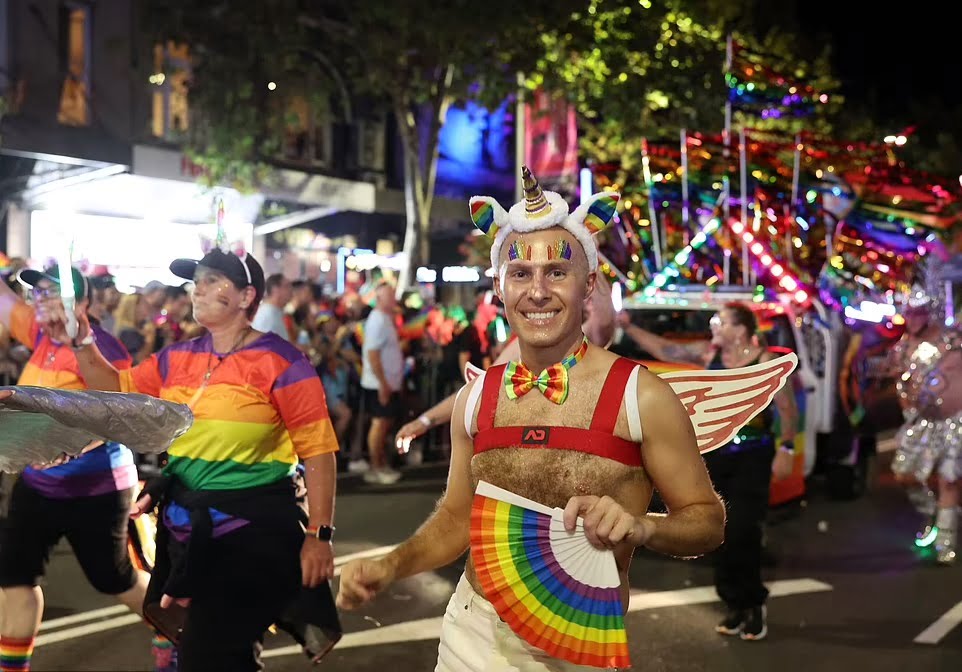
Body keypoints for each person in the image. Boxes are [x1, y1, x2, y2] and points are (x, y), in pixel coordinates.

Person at [338, 167, 726, 671]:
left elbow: (707, 521)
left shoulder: (641, 395)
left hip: (579, 650)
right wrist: (392, 564)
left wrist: (641, 527)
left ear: (587, 285)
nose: (537, 291)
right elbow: (458, 519)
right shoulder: (475, 400)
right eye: (521, 273)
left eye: (556, 272)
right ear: (500, 288)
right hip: (470, 637)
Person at [40, 248, 339, 671]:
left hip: (254, 536)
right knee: (222, 656)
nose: (196, 288)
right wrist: (83, 340)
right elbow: (119, 392)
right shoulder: (177, 357)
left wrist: (319, 534)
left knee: (207, 653)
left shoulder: (284, 361)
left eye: (212, 280)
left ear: (245, 295)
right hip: (187, 535)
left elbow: (318, 450)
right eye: (195, 280)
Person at [617, 301, 798, 640]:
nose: (713, 326)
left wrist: (786, 448)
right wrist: (627, 327)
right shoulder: (709, 355)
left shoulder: (765, 362)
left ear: (741, 329)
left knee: (745, 529)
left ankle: (753, 603)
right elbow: (664, 347)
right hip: (714, 456)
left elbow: (787, 410)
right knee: (718, 529)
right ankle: (732, 604)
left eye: (721, 321)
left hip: (753, 455)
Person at [0, 265, 150, 672]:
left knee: (114, 579)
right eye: (38, 292)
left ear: (83, 304)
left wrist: (67, 446)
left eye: (55, 293)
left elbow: (117, 414)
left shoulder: (103, 347)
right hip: (37, 483)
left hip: (97, 489)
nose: (42, 299)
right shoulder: (37, 334)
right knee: (13, 578)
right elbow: (3, 298)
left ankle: (183, 636)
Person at [394, 271, 617, 447]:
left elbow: (604, 320)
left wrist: (588, 252)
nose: (538, 296)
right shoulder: (519, 346)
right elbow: (478, 390)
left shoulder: (580, 340)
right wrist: (425, 421)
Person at [891, 258, 962, 565]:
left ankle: (945, 541)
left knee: (950, 478)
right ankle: (930, 513)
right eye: (909, 311)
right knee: (904, 473)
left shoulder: (951, 339)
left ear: (929, 311)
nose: (913, 317)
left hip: (957, 420)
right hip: (922, 422)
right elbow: (901, 384)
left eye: (919, 311)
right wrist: (907, 408)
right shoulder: (902, 348)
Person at [358, 281, 405, 484]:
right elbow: (373, 354)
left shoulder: (385, 318)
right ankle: (376, 467)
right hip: (379, 384)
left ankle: (381, 464)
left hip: (386, 382)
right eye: (389, 295)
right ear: (379, 299)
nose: (393, 298)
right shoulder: (377, 320)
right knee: (379, 424)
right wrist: (383, 384)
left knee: (384, 424)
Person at [252, 273, 294, 341]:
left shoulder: (276, 312)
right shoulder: (266, 315)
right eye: (287, 286)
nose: (291, 290)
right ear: (275, 290)